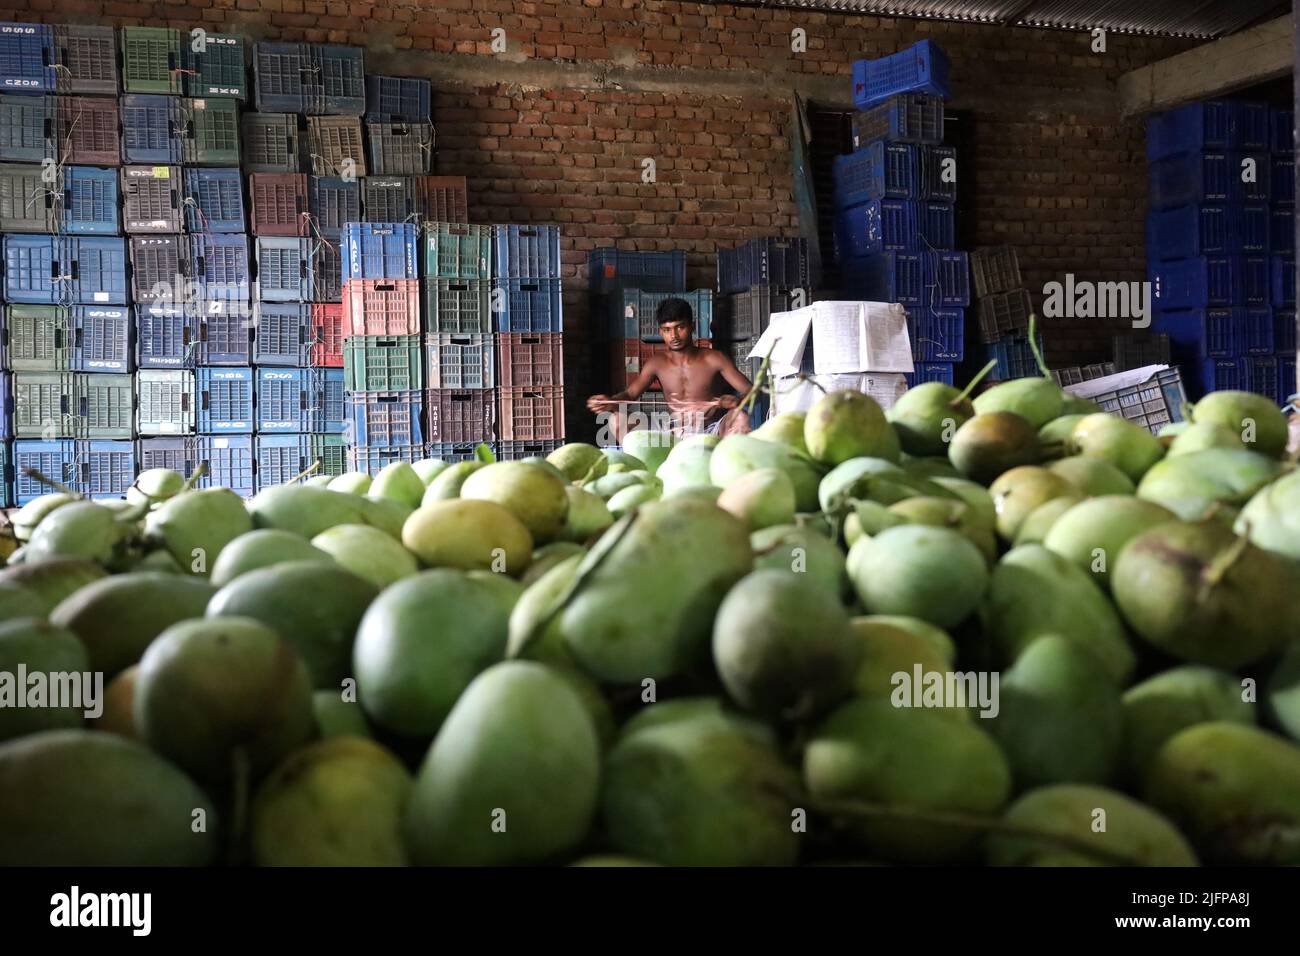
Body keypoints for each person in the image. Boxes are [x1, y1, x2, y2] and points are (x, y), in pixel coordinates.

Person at [587, 297, 754, 439]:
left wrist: (737, 401)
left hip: (710, 429)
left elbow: (751, 391)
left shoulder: (715, 359)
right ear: (661, 332)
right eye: (667, 330)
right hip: (671, 430)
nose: (674, 336)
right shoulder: (656, 363)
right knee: (617, 420)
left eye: (680, 327)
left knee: (740, 417)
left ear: (692, 326)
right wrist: (610, 402)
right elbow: (630, 395)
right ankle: (642, 465)